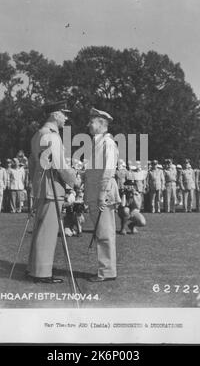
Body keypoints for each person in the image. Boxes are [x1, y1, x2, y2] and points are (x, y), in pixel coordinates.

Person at [27, 101, 78, 284]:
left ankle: (33, 268)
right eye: (64, 114)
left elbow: (32, 164)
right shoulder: (52, 136)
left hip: (41, 187)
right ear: (55, 115)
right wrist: (75, 180)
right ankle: (41, 273)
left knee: (40, 229)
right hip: (52, 188)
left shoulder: (37, 134)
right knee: (48, 232)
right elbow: (61, 166)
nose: (66, 118)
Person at [84, 108, 121, 282]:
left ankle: (107, 272)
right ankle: (105, 269)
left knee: (105, 233)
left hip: (102, 193)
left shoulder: (108, 143)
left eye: (91, 122)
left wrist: (102, 193)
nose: (88, 125)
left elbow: (108, 170)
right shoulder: (95, 143)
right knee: (100, 232)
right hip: (94, 193)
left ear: (101, 124)